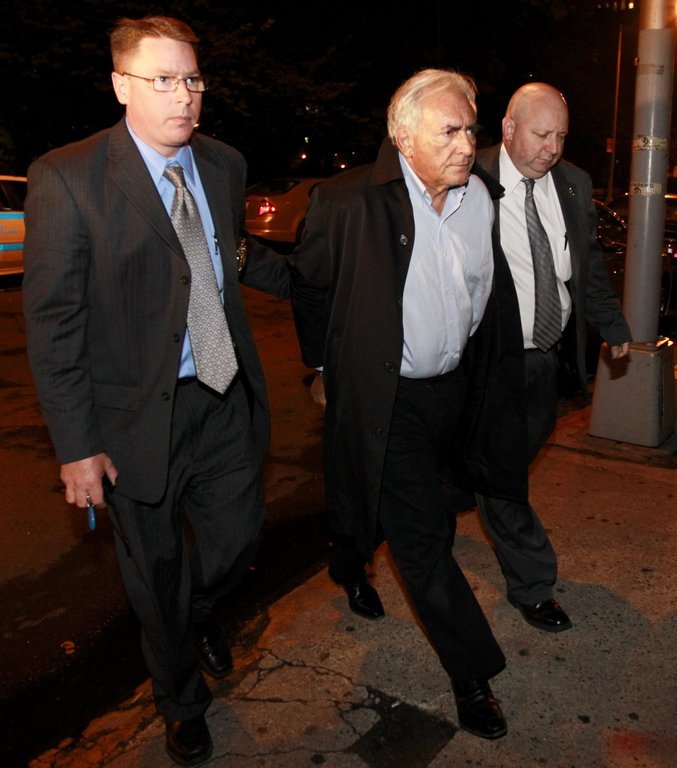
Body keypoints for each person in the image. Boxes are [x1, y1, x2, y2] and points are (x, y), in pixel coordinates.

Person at [22, 16, 290, 768]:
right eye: (163, 79)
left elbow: (225, 258)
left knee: (237, 543)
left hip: (223, 397)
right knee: (155, 572)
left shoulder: (224, 165)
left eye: (192, 79)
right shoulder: (68, 177)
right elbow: (54, 321)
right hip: (133, 418)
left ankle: (194, 613)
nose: (184, 96)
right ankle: (180, 700)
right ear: (121, 86)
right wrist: (77, 445)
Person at [289, 68, 531, 740]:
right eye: (448, 131)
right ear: (402, 136)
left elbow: (484, 297)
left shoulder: (480, 198)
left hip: (454, 391)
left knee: (409, 507)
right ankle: (471, 673)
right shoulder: (348, 201)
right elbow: (309, 289)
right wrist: (323, 367)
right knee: (422, 538)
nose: (466, 145)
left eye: (470, 130)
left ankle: (348, 560)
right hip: (386, 397)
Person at [474, 82, 631, 633]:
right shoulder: (470, 176)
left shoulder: (572, 183)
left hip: (544, 359)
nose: (552, 148)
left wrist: (610, 322)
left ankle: (453, 489)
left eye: (561, 136)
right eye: (541, 135)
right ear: (509, 128)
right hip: (487, 361)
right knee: (503, 475)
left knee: (509, 457)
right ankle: (533, 582)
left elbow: (584, 262)